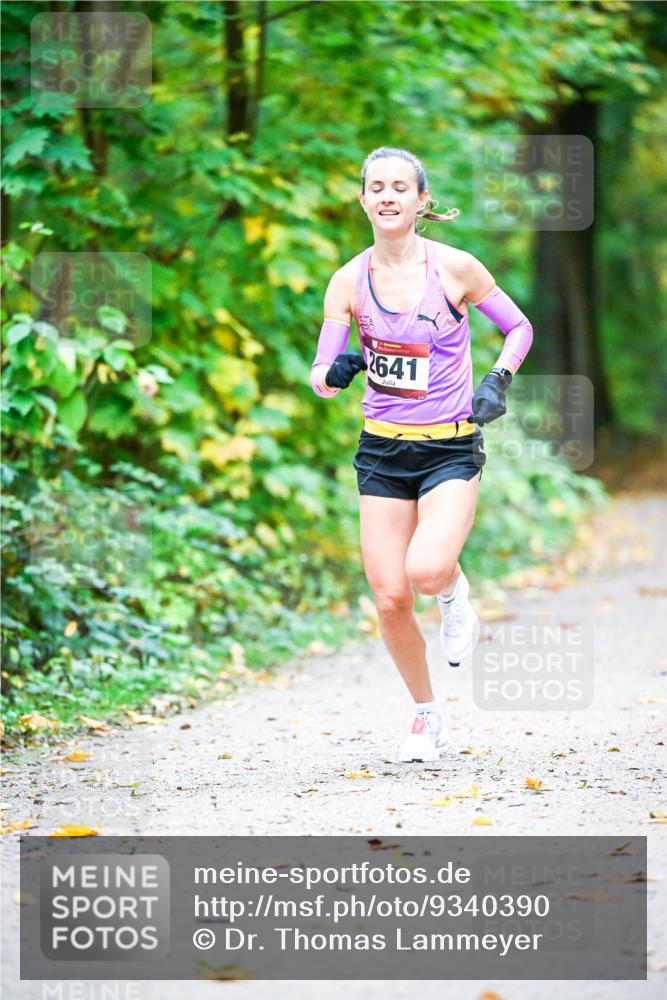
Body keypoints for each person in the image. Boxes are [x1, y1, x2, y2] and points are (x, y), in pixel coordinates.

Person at [310, 147, 533, 763]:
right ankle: (426, 716)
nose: (388, 196)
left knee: (427, 570)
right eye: (377, 187)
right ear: (363, 200)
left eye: (400, 187)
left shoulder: (456, 268)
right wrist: (336, 372)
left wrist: (497, 380)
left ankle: (455, 593)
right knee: (390, 597)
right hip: (381, 450)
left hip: (449, 448)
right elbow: (319, 376)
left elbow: (519, 327)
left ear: (421, 200)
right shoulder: (348, 281)